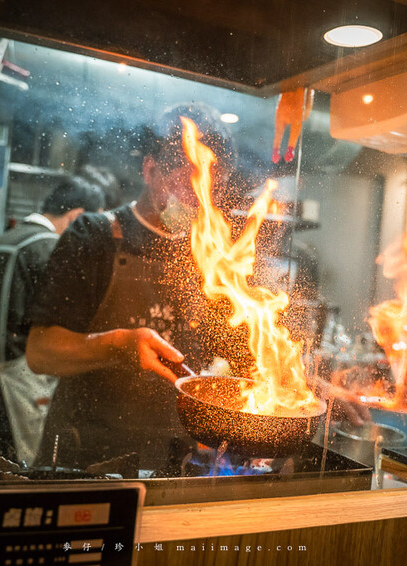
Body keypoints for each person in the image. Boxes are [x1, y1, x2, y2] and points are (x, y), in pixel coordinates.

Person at [25, 103, 245, 472]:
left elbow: (243, 350)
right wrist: (120, 344)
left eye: (212, 187)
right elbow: (41, 352)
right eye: (188, 179)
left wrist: (305, 385)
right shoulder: (95, 236)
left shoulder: (212, 255)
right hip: (88, 456)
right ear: (150, 169)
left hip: (175, 456)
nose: (198, 198)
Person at [0, 175, 105, 466]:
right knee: (12, 474)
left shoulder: (6, 239)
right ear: (76, 217)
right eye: (91, 225)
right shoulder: (49, 248)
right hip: (14, 384)